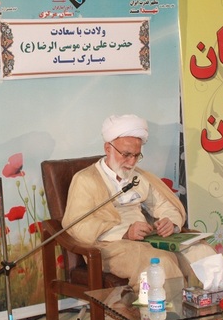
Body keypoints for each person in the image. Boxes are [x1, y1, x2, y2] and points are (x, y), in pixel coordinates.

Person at [62, 114, 215, 292]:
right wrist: (126, 232)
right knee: (161, 263)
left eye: (136, 155)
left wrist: (170, 222)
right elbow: (78, 225)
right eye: (126, 155)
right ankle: (169, 310)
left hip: (147, 239)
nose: (132, 162)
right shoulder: (85, 180)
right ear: (108, 148)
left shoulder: (139, 177)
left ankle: (212, 306)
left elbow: (164, 206)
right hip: (110, 245)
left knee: (203, 253)